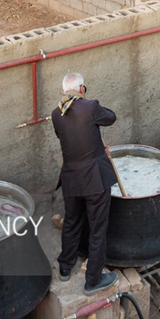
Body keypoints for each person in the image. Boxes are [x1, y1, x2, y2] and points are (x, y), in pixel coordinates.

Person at [51, 73, 119, 296]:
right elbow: (111, 117)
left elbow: (72, 139)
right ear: (81, 88)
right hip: (94, 180)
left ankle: (65, 266)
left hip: (71, 179)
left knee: (72, 222)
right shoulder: (91, 107)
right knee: (98, 230)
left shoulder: (56, 114)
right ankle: (93, 280)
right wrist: (89, 101)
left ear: (63, 91)